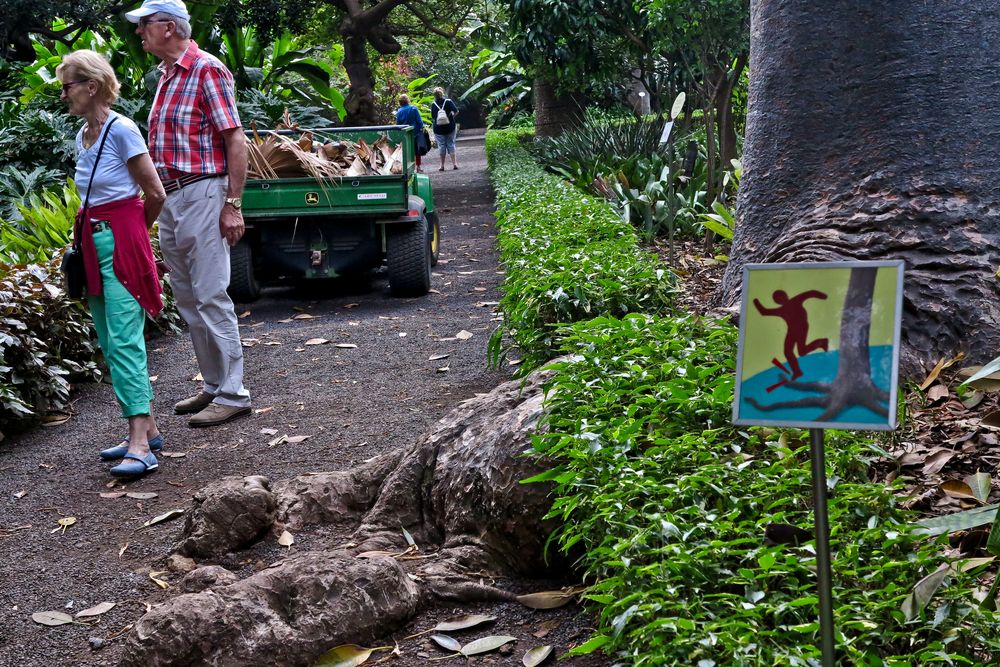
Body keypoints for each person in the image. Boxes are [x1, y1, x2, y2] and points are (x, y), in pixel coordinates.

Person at [126, 0, 252, 427]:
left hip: (203, 192)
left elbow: (235, 139)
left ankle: (235, 392)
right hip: (174, 197)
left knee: (212, 293)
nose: (140, 32)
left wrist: (232, 204)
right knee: (187, 296)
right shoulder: (166, 75)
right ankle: (215, 385)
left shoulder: (207, 69)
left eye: (144, 25)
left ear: (167, 27)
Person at [57, 50, 167, 479]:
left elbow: (154, 193)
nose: (64, 95)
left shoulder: (122, 130)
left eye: (68, 86)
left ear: (92, 86)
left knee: (124, 340)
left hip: (120, 241)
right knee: (108, 340)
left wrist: (133, 236)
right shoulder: (82, 135)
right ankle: (147, 429)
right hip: (91, 241)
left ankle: (141, 444)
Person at [430, 87, 459, 171]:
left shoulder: (433, 104)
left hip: (438, 128)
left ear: (434, 95)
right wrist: (450, 117)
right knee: (451, 144)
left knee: (441, 145)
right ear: (442, 93)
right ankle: (454, 164)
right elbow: (456, 111)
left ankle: (442, 166)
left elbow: (433, 117)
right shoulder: (448, 101)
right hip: (450, 126)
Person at [395, 93, 425, 173]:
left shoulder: (399, 111)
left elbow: (398, 124)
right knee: (417, 151)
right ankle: (418, 167)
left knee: (407, 151)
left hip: (405, 135)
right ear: (408, 100)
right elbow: (419, 121)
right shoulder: (413, 109)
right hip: (415, 133)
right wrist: (422, 127)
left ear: (400, 102)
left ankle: (410, 168)